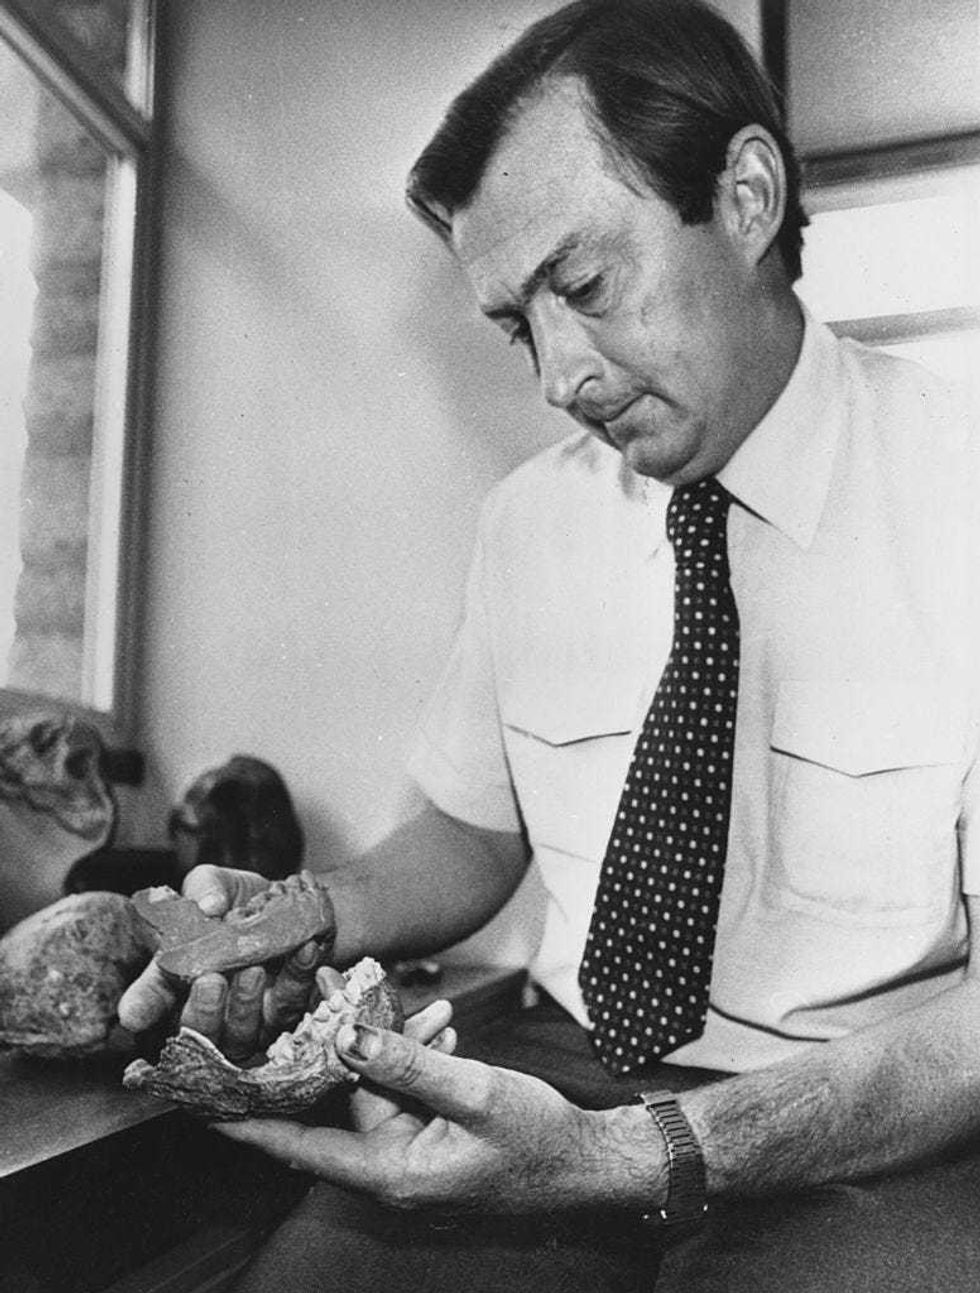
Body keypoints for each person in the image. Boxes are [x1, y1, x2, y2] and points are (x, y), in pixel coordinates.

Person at [119, 1, 980, 1288]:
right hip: (561, 1072)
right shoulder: (529, 523)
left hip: (868, 1127)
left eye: (582, 286)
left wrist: (653, 1151)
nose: (557, 378)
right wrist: (304, 914)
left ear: (745, 197)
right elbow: (472, 836)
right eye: (518, 324)